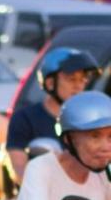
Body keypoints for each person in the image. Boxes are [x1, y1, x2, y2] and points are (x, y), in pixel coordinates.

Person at [6, 47, 100, 185]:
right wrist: (38, 190)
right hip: (39, 198)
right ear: (50, 83)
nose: (78, 85)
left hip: (85, 197)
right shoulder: (24, 118)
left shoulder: (91, 120)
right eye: (71, 79)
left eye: (83, 80)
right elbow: (18, 168)